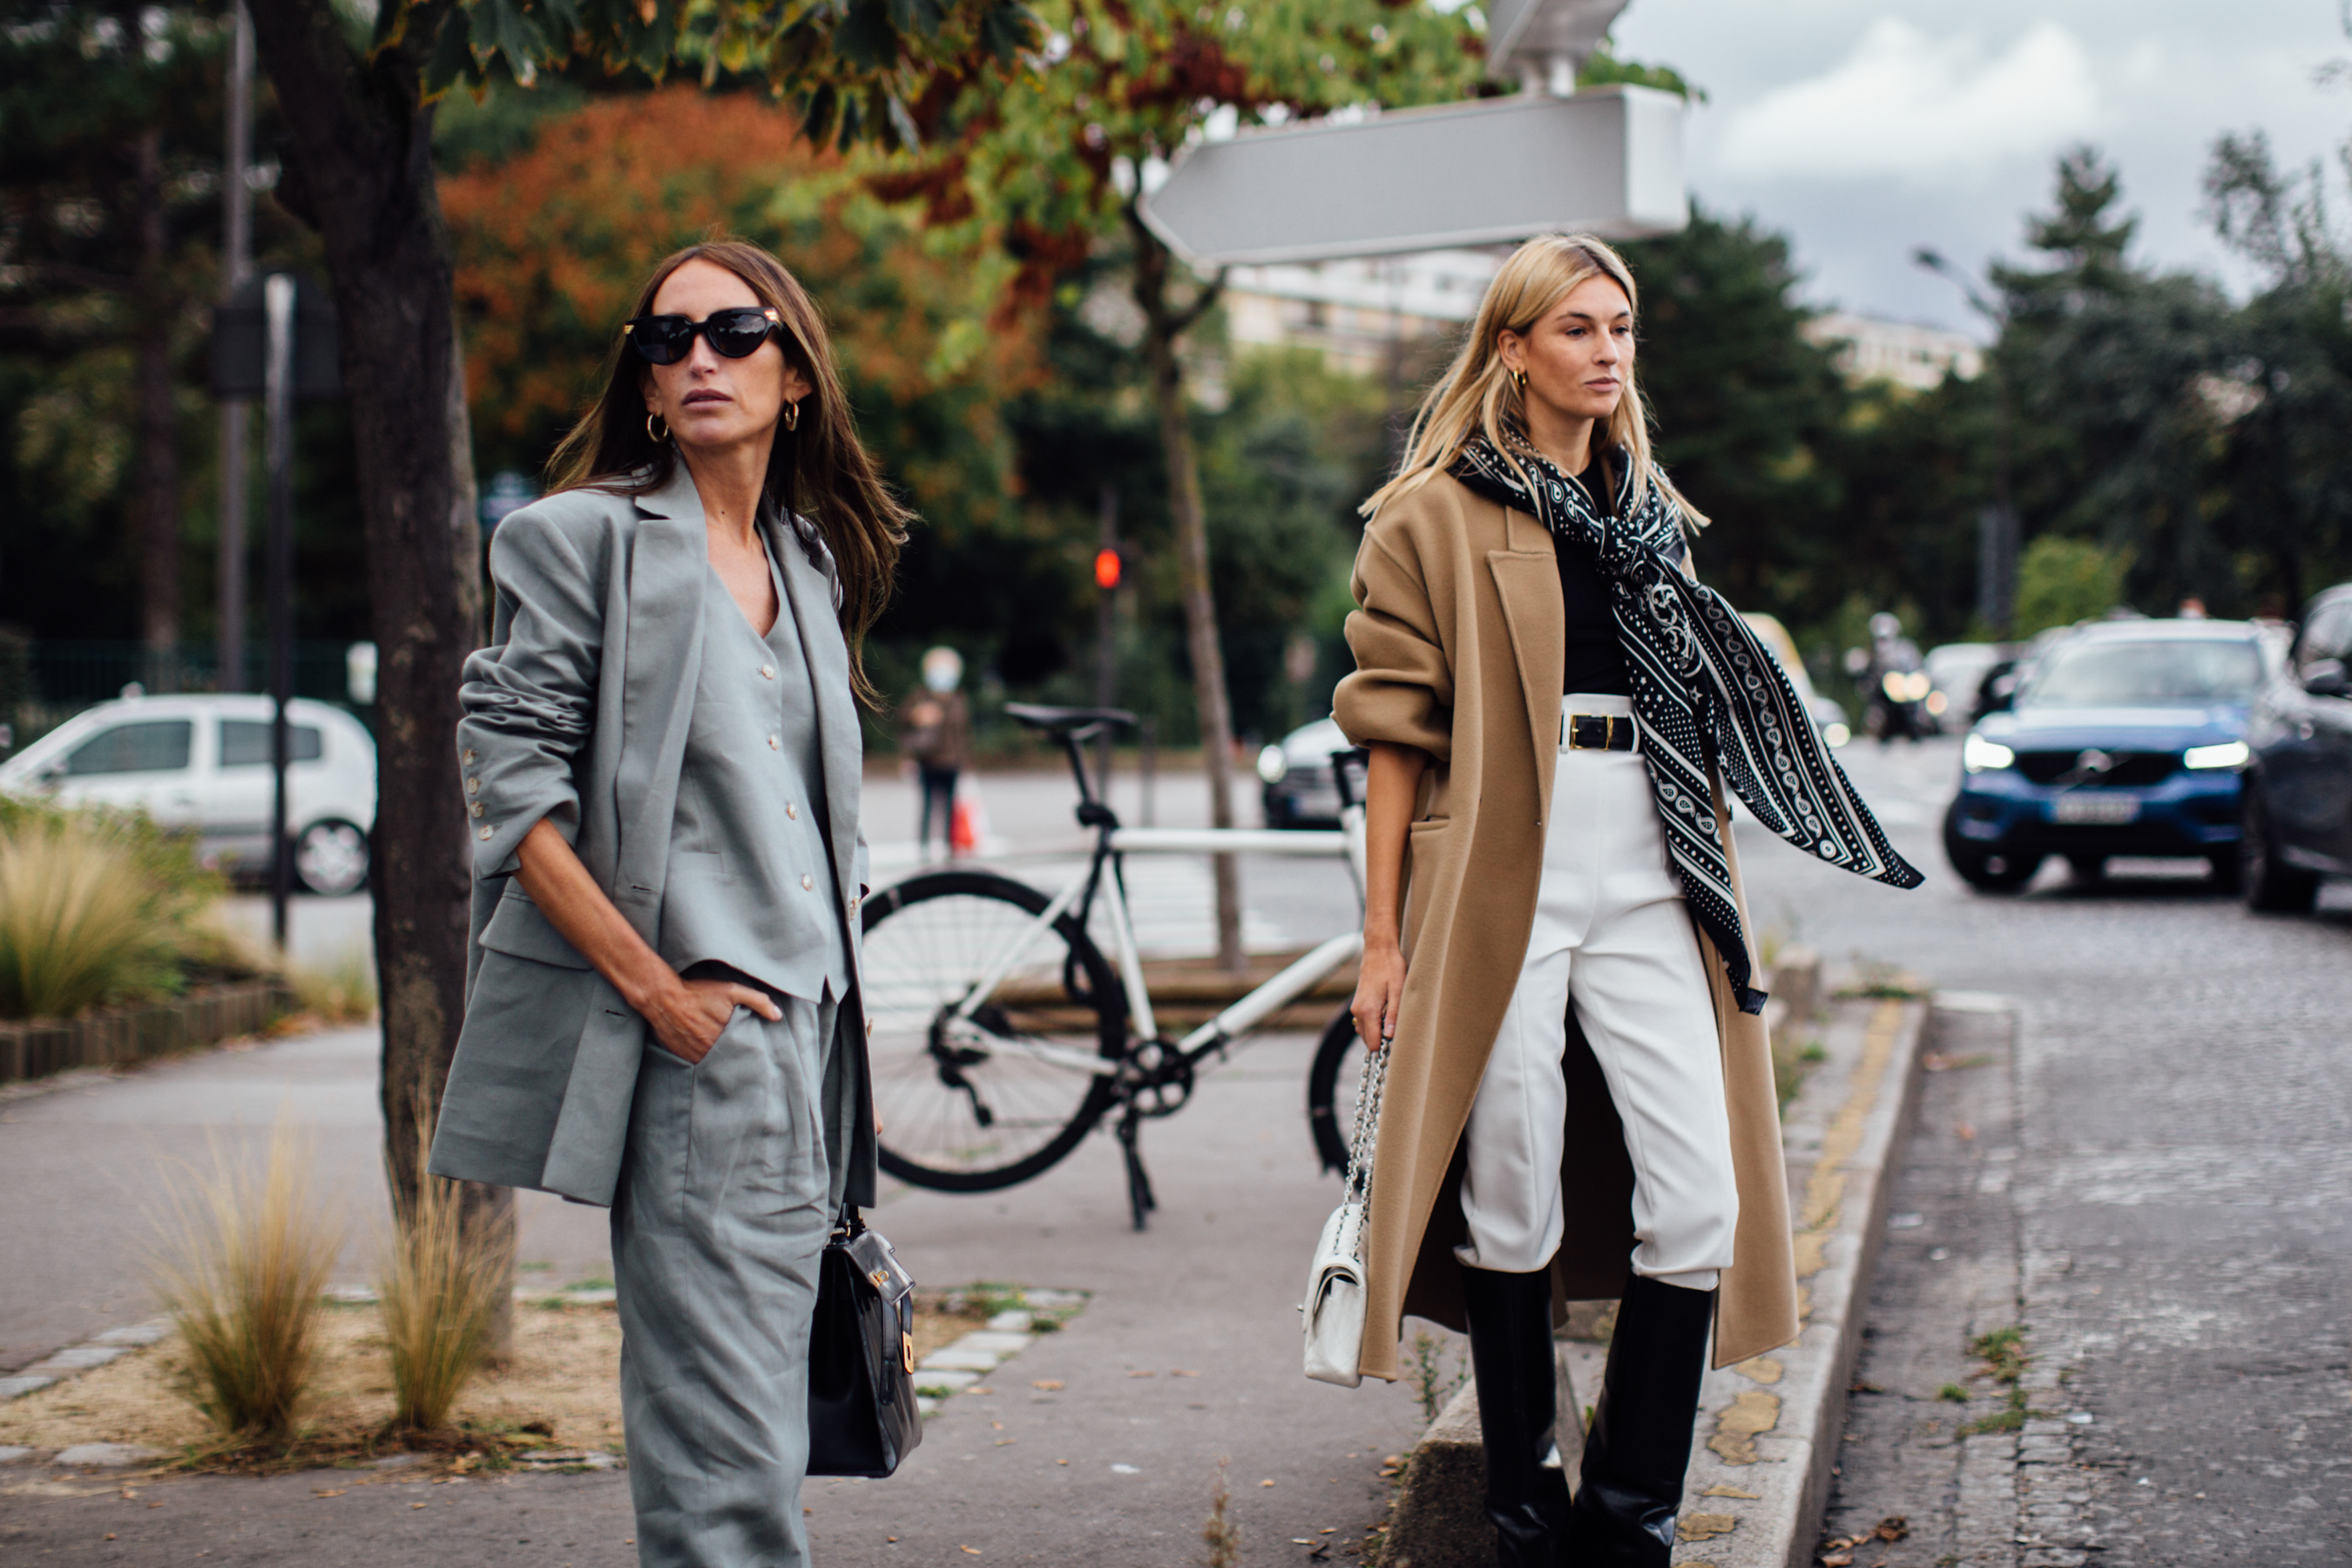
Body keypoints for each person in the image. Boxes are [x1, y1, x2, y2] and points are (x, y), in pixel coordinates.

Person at [1336, 234, 1921, 1567]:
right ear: (1513, 348)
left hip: (1654, 859)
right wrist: (1381, 937)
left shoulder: (1655, 516)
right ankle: (1528, 1511)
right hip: (1500, 867)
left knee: (1701, 1194)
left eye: (1623, 327)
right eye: (1579, 328)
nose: (1608, 351)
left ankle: (1631, 1516)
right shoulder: (1429, 515)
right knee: (1512, 1187)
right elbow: (1391, 734)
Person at [428, 239, 909, 1568]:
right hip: (698, 1042)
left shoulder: (804, 561)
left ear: (796, 374)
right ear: (644, 387)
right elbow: (513, 797)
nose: (701, 357)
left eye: (738, 332)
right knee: (724, 1454)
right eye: (669, 339)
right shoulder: (577, 539)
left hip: (810, 1044)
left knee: (765, 1418)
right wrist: (659, 995)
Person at [902, 645, 971, 856]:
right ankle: (924, 847)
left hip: (952, 763)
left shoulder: (959, 699)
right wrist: (917, 716)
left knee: (951, 808)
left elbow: (965, 735)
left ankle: (950, 847)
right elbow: (904, 726)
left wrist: (967, 763)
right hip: (927, 761)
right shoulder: (919, 696)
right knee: (927, 806)